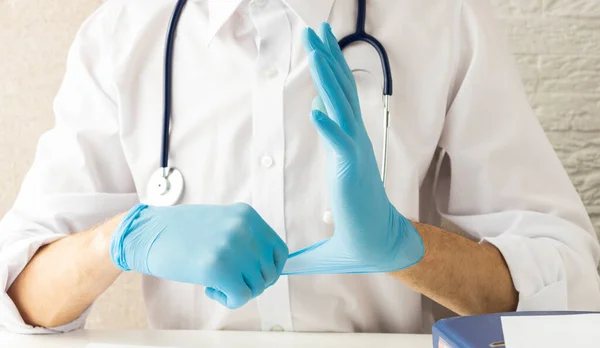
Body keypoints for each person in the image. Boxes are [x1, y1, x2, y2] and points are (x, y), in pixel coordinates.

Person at [1, 0, 599, 335]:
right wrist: (121, 241)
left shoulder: (442, 20)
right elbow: (17, 305)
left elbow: (573, 303)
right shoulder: (122, 38)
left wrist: (407, 248)